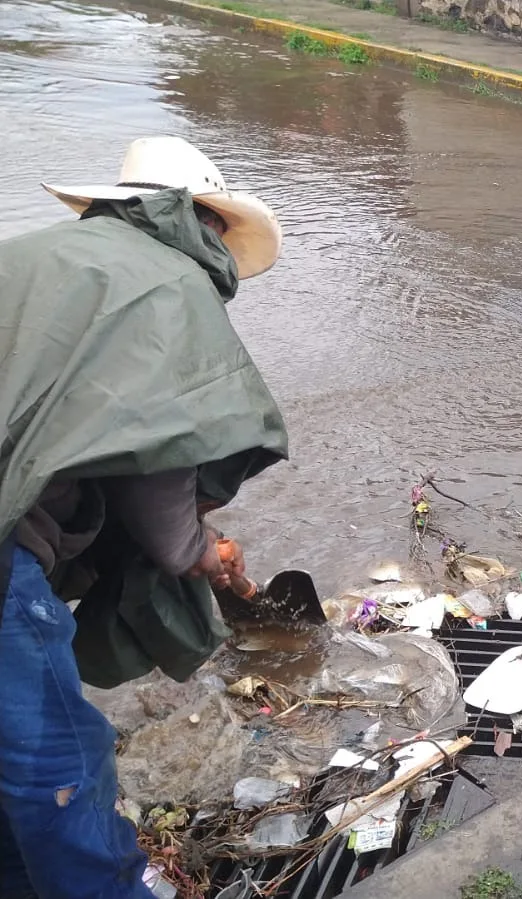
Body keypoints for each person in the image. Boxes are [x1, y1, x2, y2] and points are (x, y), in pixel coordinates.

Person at [0, 136, 289, 897]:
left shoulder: (35, 255)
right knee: (57, 766)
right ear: (200, 223)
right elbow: (161, 492)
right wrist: (205, 549)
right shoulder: (168, 288)